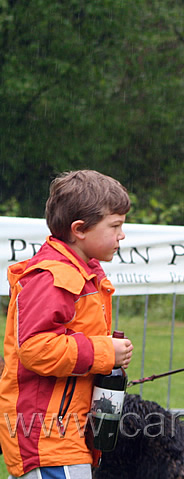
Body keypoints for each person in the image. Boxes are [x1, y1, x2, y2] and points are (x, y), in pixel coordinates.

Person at [0, 170, 134, 479]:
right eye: (115, 226)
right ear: (79, 230)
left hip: (66, 434)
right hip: (48, 437)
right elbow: (35, 348)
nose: (122, 235)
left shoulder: (84, 274)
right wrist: (104, 351)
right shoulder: (54, 278)